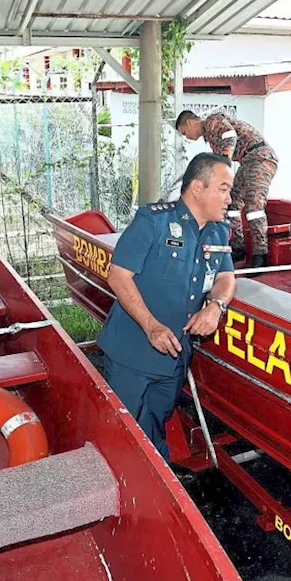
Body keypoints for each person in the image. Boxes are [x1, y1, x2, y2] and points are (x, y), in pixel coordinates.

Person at [98, 152, 237, 462]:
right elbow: (118, 277)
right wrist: (150, 325)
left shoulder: (218, 231)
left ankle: (156, 489)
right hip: (132, 352)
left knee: (155, 425)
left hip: (175, 356)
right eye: (224, 188)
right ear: (197, 188)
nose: (230, 198)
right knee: (120, 432)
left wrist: (216, 307)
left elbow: (226, 278)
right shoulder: (154, 221)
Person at [176, 109, 278, 269]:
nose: (186, 137)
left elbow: (230, 136)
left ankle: (260, 254)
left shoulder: (212, 122)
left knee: (253, 206)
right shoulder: (209, 137)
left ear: (189, 123)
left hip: (260, 158)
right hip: (247, 161)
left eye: (184, 132)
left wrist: (224, 159)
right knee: (232, 202)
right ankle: (238, 247)